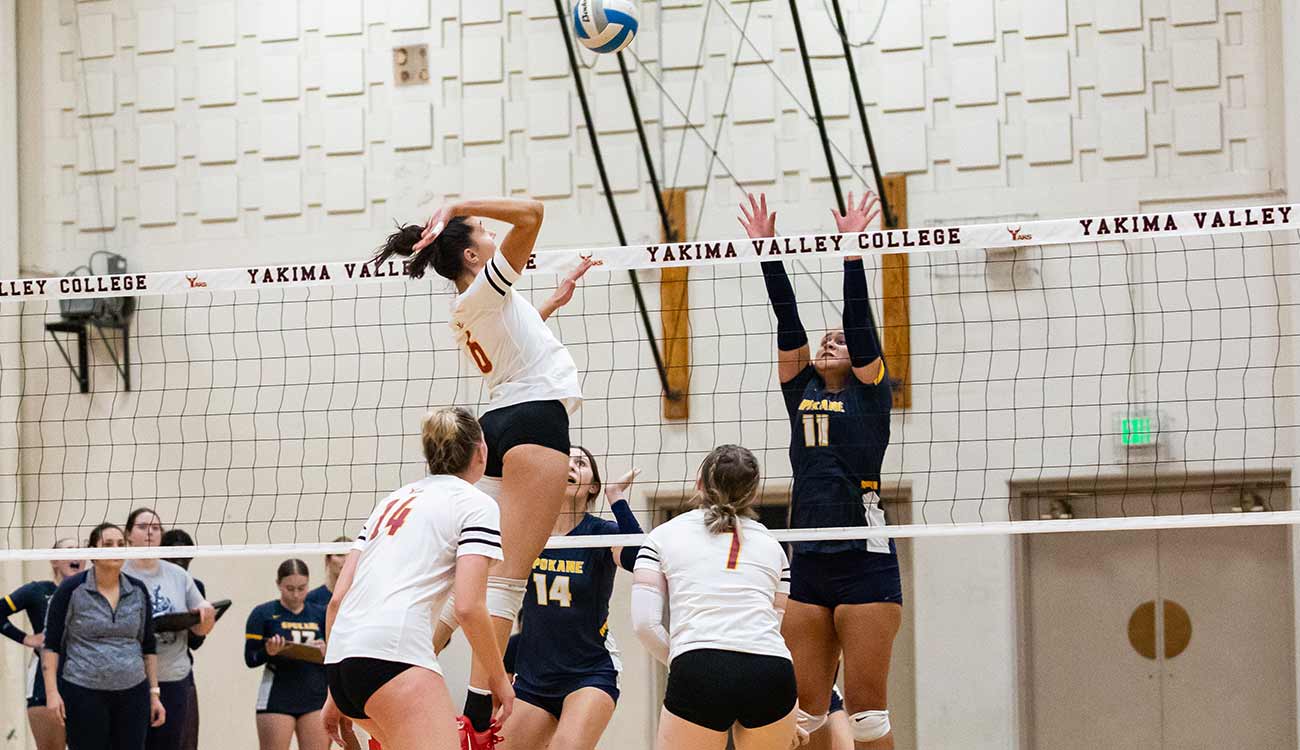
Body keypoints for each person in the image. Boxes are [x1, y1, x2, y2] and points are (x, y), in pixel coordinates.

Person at [371, 196, 593, 744]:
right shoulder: (489, 281)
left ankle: (391, 681)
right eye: (484, 233)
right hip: (537, 424)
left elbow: (517, 348)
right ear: (472, 254)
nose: (497, 236)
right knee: (507, 581)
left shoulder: (468, 305)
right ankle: (475, 720)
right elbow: (533, 213)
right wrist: (455, 205)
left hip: (498, 426)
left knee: (473, 581)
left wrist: (550, 305)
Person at [739, 191, 902, 749]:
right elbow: (788, 322)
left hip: (864, 558)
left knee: (865, 717)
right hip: (808, 555)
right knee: (802, 718)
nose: (831, 342)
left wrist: (853, 250)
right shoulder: (799, 389)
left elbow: (859, 327)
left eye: (841, 340)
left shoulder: (871, 393)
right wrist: (768, 253)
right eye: (824, 339)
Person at [321, 407, 514, 750]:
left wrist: (333, 693)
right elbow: (469, 606)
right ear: (481, 452)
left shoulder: (390, 502)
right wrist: (499, 680)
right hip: (395, 659)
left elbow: (337, 599)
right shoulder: (476, 504)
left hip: (342, 663)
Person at [631, 445, 797, 750]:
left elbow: (644, 624)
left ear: (699, 483)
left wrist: (683, 660)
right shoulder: (773, 546)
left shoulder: (662, 536)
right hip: (772, 672)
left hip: (699, 665)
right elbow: (774, 622)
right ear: (753, 494)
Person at [492, 446, 642, 750]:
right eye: (566, 460)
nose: (572, 465)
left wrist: (616, 498)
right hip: (534, 678)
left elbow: (639, 556)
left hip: (589, 673)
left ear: (592, 486)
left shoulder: (600, 533)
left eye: (582, 463)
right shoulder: (529, 532)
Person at [42, 522, 165, 750]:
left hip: (133, 693)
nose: (115, 549)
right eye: (108, 544)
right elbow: (51, 645)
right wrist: (51, 693)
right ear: (92, 552)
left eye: (120, 544)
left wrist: (154, 694)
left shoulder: (138, 590)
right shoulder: (71, 589)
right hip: (83, 692)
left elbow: (148, 646)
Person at [122, 509, 217, 750]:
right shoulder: (120, 573)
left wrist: (206, 616)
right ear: (129, 534)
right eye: (143, 527)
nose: (150, 532)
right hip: (130, 679)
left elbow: (200, 630)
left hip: (174, 677)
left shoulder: (178, 575)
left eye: (155, 528)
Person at [1, 538, 81, 750]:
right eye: (70, 550)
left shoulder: (90, 593)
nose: (76, 555)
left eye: (80, 551)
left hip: (84, 681)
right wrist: (26, 638)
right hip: (43, 683)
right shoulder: (36, 591)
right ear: (54, 560)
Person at [245, 559, 328, 750]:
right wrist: (268, 651)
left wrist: (326, 651)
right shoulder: (262, 614)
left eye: (302, 588)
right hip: (277, 697)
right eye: (289, 588)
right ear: (278, 585)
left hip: (314, 696)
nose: (296, 594)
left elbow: (336, 657)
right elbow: (250, 658)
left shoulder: (320, 614)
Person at [159, 529, 206, 750]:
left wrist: (198, 623)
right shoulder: (142, 580)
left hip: (180, 674)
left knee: (184, 742)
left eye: (184, 559)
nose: (179, 565)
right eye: (173, 558)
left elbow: (196, 643)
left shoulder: (194, 586)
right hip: (141, 675)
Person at [306, 538, 351, 609]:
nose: (346, 560)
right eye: (339, 555)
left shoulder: (361, 596)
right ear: (327, 560)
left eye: (351, 555)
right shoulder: (311, 599)